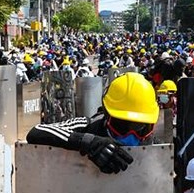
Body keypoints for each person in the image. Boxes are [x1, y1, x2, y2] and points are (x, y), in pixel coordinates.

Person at [26, 72, 159, 174]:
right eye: (122, 127)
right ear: (107, 116)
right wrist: (88, 142)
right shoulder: (87, 126)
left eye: (141, 129)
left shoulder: (157, 146)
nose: (131, 137)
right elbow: (36, 131)